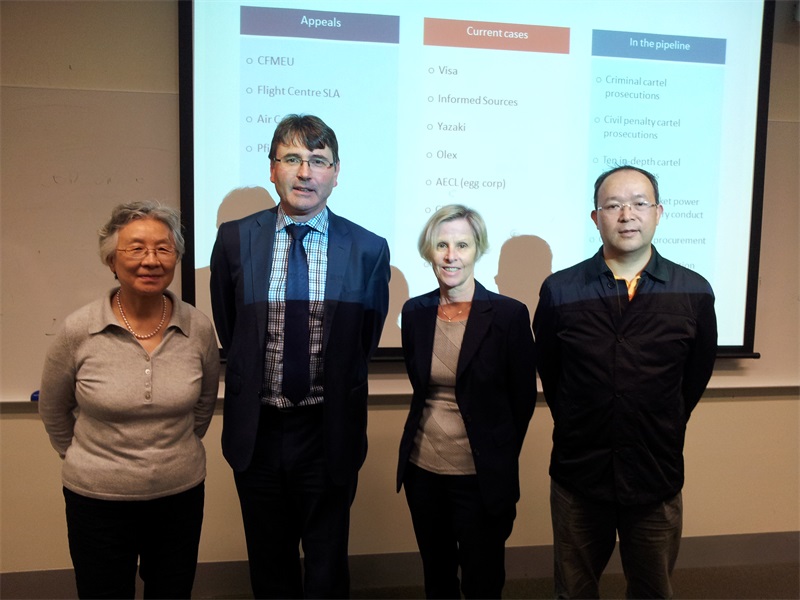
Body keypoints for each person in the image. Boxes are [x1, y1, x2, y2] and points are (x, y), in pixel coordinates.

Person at [210, 114, 390, 599]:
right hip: (259, 430)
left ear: (336, 172)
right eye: (292, 158)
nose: (305, 172)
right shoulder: (234, 239)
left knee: (327, 568)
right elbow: (232, 328)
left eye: (318, 160)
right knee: (270, 566)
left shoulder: (368, 248)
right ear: (272, 169)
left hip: (327, 431)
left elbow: (364, 340)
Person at [533, 166, 718, 599]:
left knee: (653, 590)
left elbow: (693, 380)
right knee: (573, 591)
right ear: (595, 217)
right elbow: (553, 374)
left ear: (659, 213)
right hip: (580, 474)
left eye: (639, 203)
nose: (627, 215)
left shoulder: (694, 292)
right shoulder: (560, 290)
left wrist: (661, 420)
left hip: (655, 473)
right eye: (613, 205)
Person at [38, 201, 220, 599]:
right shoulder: (78, 330)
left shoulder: (198, 328)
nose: (151, 261)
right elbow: (53, 409)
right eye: (136, 249)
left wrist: (172, 453)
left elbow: (204, 403)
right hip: (96, 500)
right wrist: (89, 459)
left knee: (172, 592)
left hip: (180, 495)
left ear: (176, 258)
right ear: (111, 261)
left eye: (163, 249)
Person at [397, 205, 537, 599]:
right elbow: (421, 387)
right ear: (429, 251)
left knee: (482, 580)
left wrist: (496, 452)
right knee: (437, 576)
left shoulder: (509, 315)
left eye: (462, 245)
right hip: (423, 471)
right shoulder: (415, 312)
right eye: (441, 245)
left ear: (478, 250)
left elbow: (522, 401)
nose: (450, 255)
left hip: (481, 476)